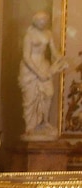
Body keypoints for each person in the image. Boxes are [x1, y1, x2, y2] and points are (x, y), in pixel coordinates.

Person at [18, 11, 67, 139]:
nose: (43, 22)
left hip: (44, 65)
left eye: (45, 20)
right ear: (35, 21)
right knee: (30, 99)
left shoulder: (48, 34)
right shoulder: (28, 36)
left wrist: (60, 59)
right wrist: (38, 73)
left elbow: (54, 52)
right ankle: (31, 127)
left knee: (49, 93)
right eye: (40, 20)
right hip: (30, 69)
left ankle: (44, 122)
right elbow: (26, 56)